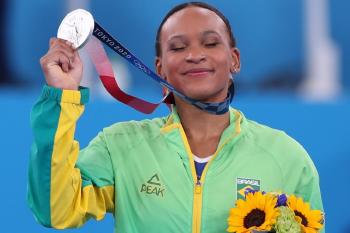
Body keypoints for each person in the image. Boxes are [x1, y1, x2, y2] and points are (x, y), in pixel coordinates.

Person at [28, 2, 324, 233]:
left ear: (234, 59)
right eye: (178, 47)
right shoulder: (120, 147)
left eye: (210, 43)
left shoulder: (286, 158)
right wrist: (61, 97)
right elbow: (55, 209)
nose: (194, 55)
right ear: (161, 68)